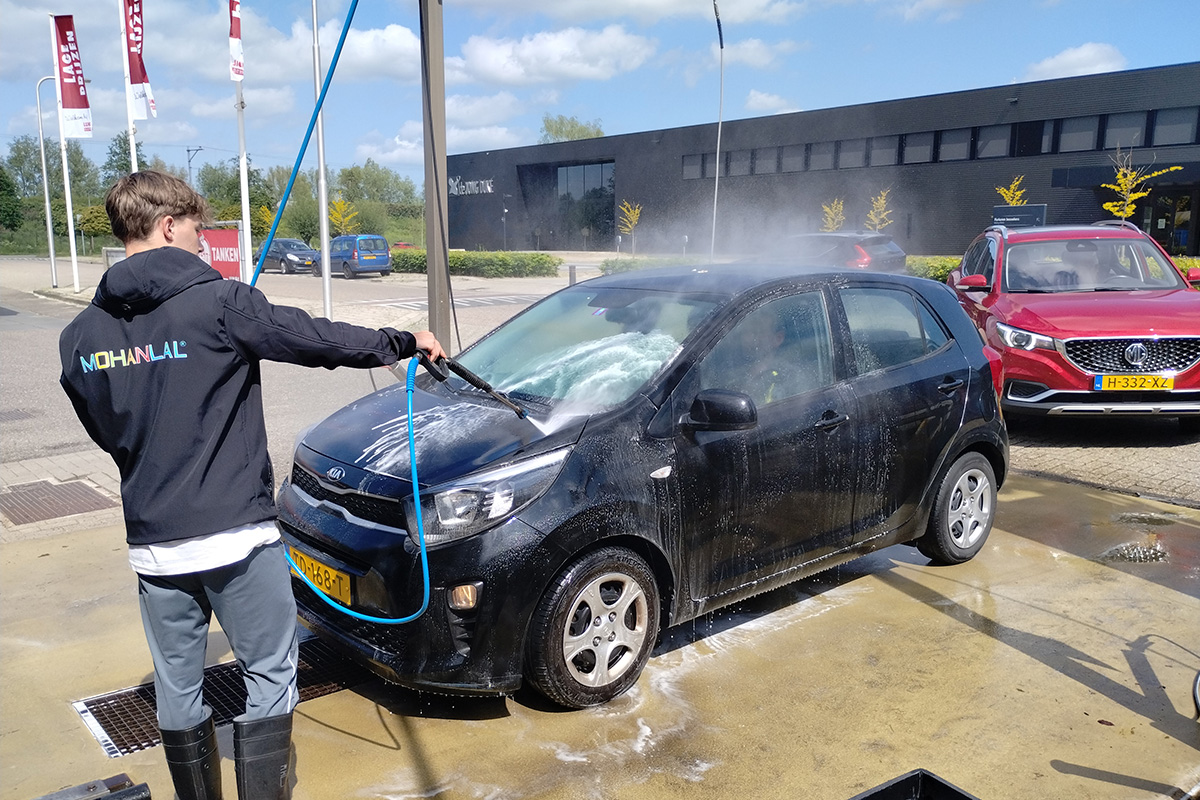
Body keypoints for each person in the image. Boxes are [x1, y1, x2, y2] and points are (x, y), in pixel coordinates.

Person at [58, 170, 446, 800]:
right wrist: (402, 342)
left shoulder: (80, 339)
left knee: (178, 691)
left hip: (157, 548)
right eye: (194, 230)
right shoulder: (220, 303)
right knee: (269, 672)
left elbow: (111, 434)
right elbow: (314, 338)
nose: (202, 244)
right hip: (237, 539)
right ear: (166, 227)